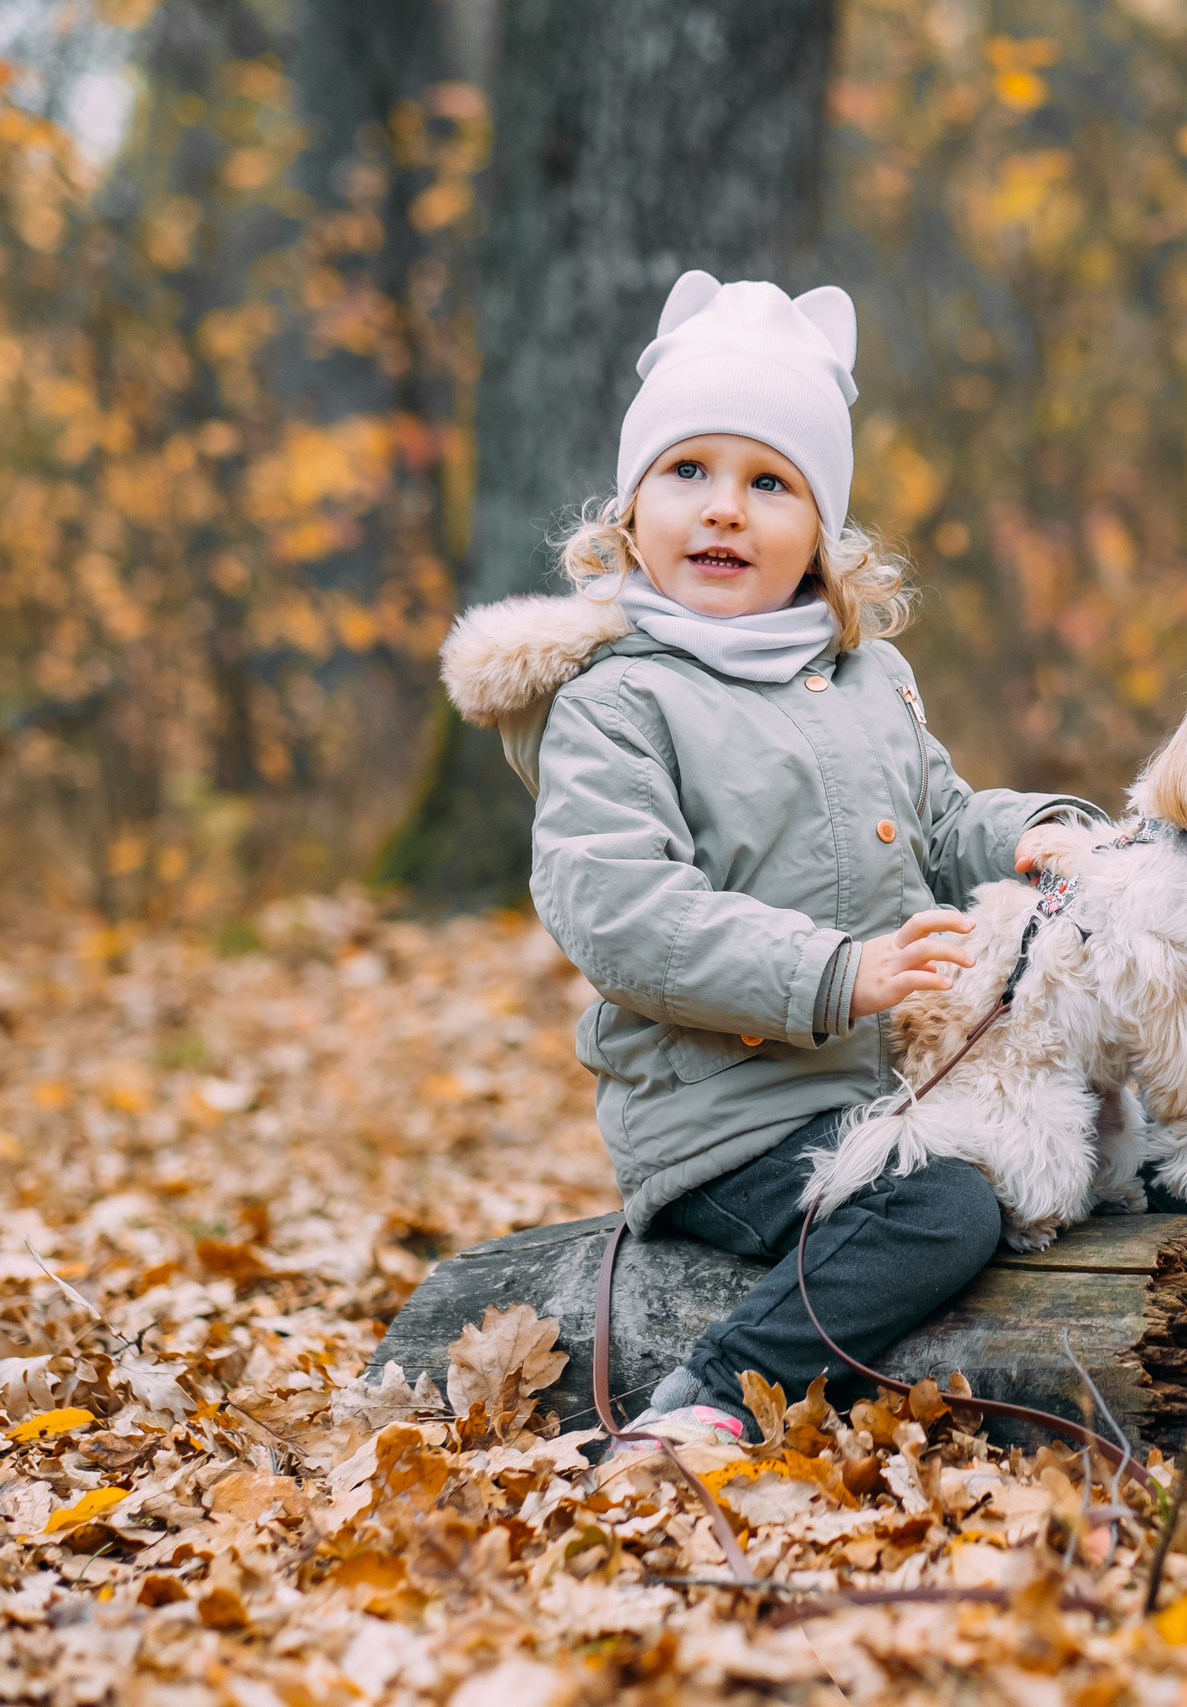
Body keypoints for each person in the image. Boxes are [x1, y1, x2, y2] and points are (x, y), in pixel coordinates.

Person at [437, 272, 1104, 1445]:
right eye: (687, 472)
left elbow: (940, 821)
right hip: (725, 1121)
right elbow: (621, 908)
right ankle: (709, 1404)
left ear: (820, 533)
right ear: (631, 509)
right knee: (943, 1212)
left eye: (769, 483)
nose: (724, 510)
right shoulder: (617, 697)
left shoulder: (865, 677)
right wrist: (837, 974)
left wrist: (1028, 832)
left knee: (1084, 1154)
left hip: (883, 1086)